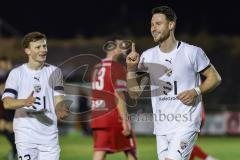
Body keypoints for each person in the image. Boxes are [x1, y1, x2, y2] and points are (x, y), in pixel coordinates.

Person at [126, 6, 221, 160]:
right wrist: (130, 69)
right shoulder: (147, 56)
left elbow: (215, 77)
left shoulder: (192, 52)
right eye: (151, 24)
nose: (153, 28)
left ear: (171, 25)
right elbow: (134, 93)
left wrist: (195, 91)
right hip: (162, 128)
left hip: (186, 124)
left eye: (158, 24)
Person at [1, 32, 70, 160]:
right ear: (27, 50)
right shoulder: (16, 73)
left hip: (50, 137)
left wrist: (61, 110)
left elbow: (58, 100)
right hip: (25, 135)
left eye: (44, 46)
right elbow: (7, 103)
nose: (43, 50)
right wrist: (25, 102)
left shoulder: (55, 72)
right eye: (38, 47)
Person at [91, 38, 137, 160]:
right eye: (121, 46)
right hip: (113, 116)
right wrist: (125, 121)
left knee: (100, 151)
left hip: (98, 116)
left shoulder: (96, 68)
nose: (124, 50)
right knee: (131, 150)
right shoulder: (116, 67)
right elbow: (119, 96)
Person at [0, 56, 17, 160]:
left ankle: (16, 151)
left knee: (8, 128)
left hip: (13, 109)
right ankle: (15, 151)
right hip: (7, 109)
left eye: (2, 64)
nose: (1, 66)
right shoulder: (6, 75)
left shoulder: (13, 74)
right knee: (6, 129)